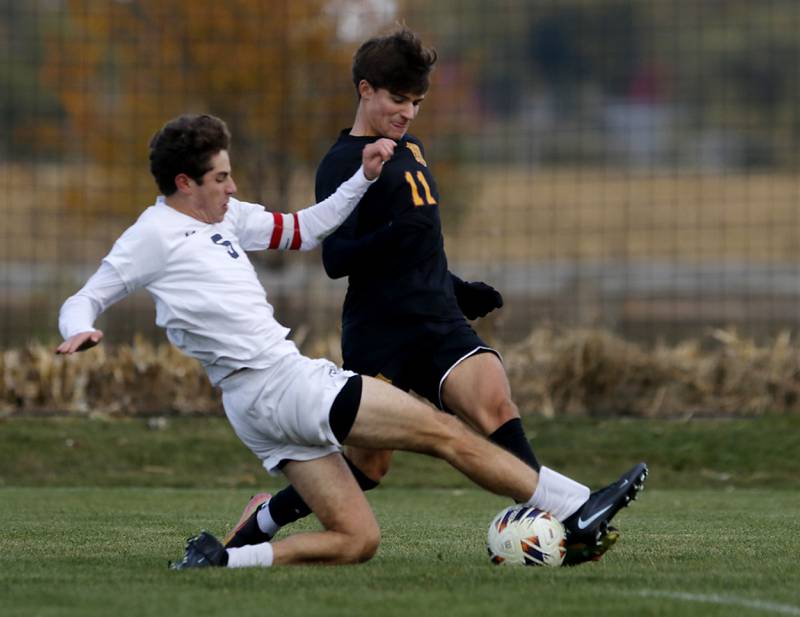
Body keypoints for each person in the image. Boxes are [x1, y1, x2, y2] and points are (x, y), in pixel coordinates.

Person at [55, 113, 644, 569]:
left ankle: (224, 559)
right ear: (184, 183)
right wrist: (77, 328)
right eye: (220, 177)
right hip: (281, 385)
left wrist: (362, 179)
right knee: (443, 432)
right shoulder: (152, 233)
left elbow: (306, 229)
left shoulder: (225, 218)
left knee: (357, 540)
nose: (232, 186)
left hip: (253, 407)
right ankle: (575, 504)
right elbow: (87, 295)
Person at [222, 29, 647, 567]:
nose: (408, 113)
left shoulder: (412, 149)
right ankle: (262, 518)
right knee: (367, 468)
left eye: (417, 102)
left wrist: (455, 285)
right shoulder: (341, 162)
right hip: (381, 332)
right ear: (365, 89)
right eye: (398, 100)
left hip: (437, 316)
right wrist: (394, 236)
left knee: (494, 402)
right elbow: (337, 259)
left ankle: (566, 520)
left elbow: (419, 243)